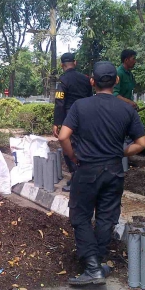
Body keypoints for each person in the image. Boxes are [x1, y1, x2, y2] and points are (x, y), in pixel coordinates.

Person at [58, 61, 145, 286]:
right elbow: (142, 143)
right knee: (107, 218)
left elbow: (63, 137)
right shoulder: (126, 109)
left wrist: (74, 157)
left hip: (87, 170)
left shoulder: (80, 106)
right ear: (116, 81)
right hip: (114, 171)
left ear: (92, 81)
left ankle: (92, 268)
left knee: (80, 216)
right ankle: (97, 262)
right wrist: (121, 152)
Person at [53, 52, 93, 192]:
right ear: (75, 63)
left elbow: (59, 103)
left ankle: (76, 178)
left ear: (62, 65)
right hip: (86, 117)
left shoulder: (62, 80)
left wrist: (56, 123)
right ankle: (83, 176)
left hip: (69, 119)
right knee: (83, 146)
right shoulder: (85, 79)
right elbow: (90, 97)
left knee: (68, 147)